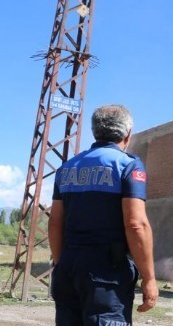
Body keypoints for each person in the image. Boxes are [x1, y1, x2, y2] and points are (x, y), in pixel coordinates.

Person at [48, 104, 158, 325]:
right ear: (128, 134)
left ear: (94, 131)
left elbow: (54, 223)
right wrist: (149, 278)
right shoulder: (127, 165)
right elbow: (136, 224)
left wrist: (62, 264)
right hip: (106, 274)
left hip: (68, 267)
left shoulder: (68, 167)